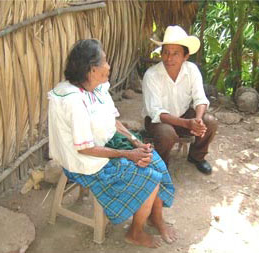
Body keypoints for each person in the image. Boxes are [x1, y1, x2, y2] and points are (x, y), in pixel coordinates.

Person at [48, 39, 177, 248]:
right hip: (86, 160)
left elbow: (111, 121)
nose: (109, 65)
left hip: (104, 144)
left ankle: (156, 217)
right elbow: (85, 148)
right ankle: (135, 233)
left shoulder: (95, 88)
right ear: (92, 69)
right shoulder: (74, 102)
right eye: (105, 61)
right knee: (149, 179)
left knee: (155, 162)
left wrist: (134, 142)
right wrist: (127, 155)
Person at [142, 25, 218, 175]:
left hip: (183, 115)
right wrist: (186, 123)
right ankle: (162, 167)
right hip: (157, 122)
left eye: (175, 53)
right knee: (166, 133)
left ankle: (197, 156)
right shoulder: (152, 75)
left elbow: (200, 98)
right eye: (166, 52)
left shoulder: (191, 70)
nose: (169, 58)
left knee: (210, 121)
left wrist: (197, 120)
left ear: (185, 56)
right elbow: (156, 112)